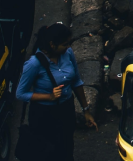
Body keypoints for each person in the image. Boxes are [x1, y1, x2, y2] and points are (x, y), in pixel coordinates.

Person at [16, 23, 98, 161]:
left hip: (66, 109)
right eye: (64, 44)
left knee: (66, 147)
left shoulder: (68, 54)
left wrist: (86, 110)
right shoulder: (34, 64)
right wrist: (49, 97)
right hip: (44, 115)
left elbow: (76, 82)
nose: (68, 47)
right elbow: (20, 93)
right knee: (47, 152)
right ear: (52, 44)